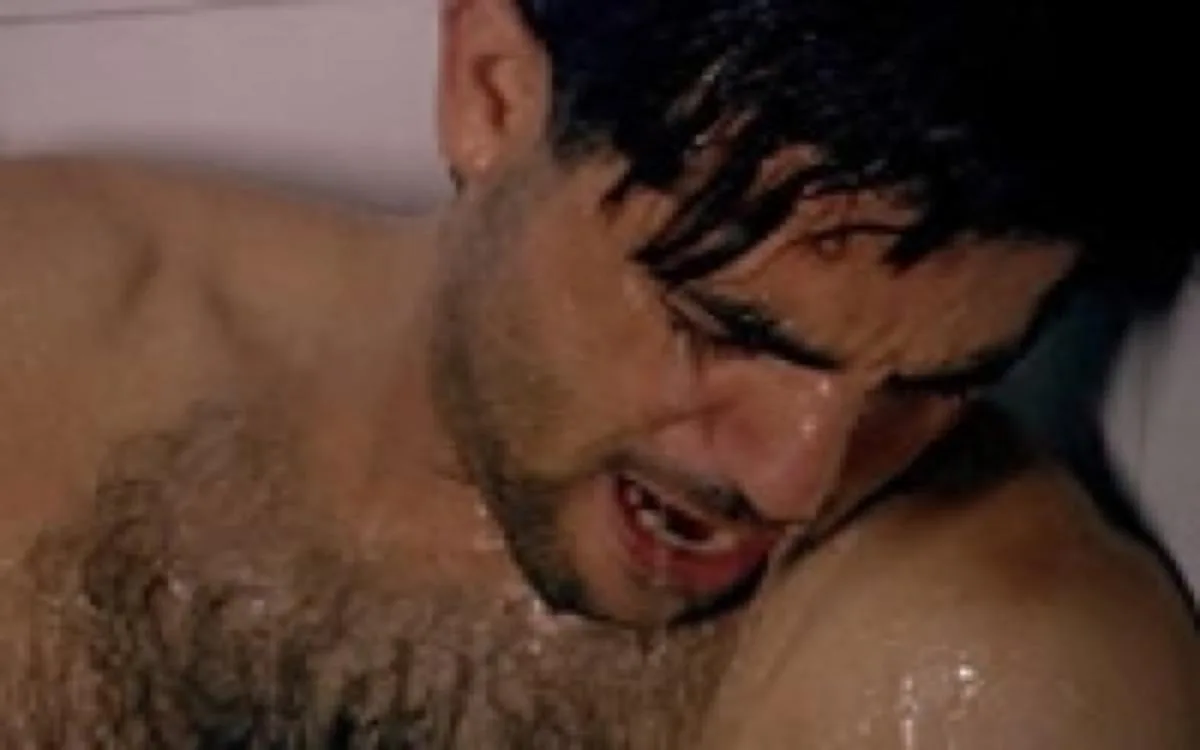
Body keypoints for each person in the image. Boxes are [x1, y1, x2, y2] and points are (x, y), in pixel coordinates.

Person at [0, 0, 1196, 747]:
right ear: (492, 91)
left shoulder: (983, 671)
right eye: (728, 330)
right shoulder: (36, 339)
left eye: (933, 383)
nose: (797, 482)